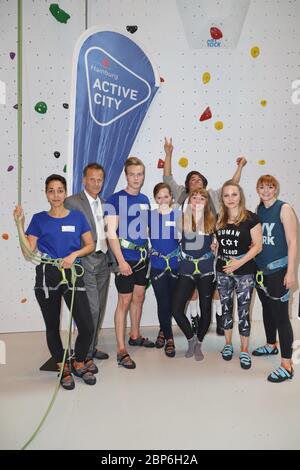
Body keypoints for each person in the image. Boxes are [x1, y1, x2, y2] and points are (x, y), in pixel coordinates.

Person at [13, 174, 97, 390]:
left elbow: (91, 245)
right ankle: (62, 367)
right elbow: (28, 253)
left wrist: (73, 255)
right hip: (47, 275)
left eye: (60, 190)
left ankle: (78, 362)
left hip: (72, 273)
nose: (56, 195)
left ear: (65, 192)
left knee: (87, 326)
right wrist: (19, 226)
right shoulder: (39, 219)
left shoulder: (77, 217)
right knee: (52, 326)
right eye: (51, 190)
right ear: (46, 194)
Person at [163, 137, 248, 336]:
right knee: (190, 290)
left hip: (212, 248)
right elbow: (167, 178)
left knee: (214, 286)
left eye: (199, 179)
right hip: (188, 253)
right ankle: (194, 319)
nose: (196, 181)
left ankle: (219, 319)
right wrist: (168, 153)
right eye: (192, 180)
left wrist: (240, 166)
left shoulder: (212, 196)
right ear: (187, 186)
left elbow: (231, 185)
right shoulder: (182, 195)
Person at [105, 157, 154, 370]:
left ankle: (135, 335)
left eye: (140, 174)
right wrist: (121, 261)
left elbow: (146, 229)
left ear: (143, 176)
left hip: (143, 258)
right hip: (125, 259)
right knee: (124, 301)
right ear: (126, 176)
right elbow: (110, 233)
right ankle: (121, 349)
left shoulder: (144, 199)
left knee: (139, 297)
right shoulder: (115, 199)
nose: (136, 178)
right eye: (132, 174)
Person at [65, 163, 110, 373]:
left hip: (104, 262)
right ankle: (83, 355)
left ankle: (90, 348)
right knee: (91, 309)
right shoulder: (73, 202)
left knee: (99, 308)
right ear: (84, 180)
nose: (96, 183)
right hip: (85, 262)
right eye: (91, 179)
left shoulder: (104, 203)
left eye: (99, 179)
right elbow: (67, 231)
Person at [253, 175, 297, 383]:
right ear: (257, 190)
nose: (266, 191)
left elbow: (293, 242)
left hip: (279, 271)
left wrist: (291, 272)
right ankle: (271, 344)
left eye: (270, 187)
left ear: (276, 189)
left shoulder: (284, 208)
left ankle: (287, 365)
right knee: (267, 310)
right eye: (262, 187)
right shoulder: (258, 210)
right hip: (261, 271)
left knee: (281, 316)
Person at [215, 180, 262, 370]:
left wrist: (239, 262)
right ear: (222, 198)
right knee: (225, 309)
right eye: (226, 195)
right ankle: (227, 345)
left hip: (244, 271)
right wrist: (215, 246)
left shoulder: (251, 218)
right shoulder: (219, 218)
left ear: (240, 196)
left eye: (234, 194)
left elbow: (258, 245)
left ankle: (244, 350)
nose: (230, 199)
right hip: (223, 270)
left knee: (243, 312)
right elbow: (218, 242)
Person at [172, 188, 216, 361]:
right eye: (194, 198)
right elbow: (175, 242)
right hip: (187, 268)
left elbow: (218, 246)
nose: (197, 201)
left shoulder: (213, 221)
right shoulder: (181, 220)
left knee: (206, 309)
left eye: (201, 198)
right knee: (176, 309)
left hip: (206, 270)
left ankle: (199, 342)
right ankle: (191, 339)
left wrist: (216, 247)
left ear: (206, 202)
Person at [149, 183, 180, 358]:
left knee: (173, 303)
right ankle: (169, 338)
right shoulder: (149, 217)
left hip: (176, 265)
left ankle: (162, 330)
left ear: (171, 198)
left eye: (166, 196)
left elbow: (193, 236)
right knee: (163, 303)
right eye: (159, 197)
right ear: (155, 199)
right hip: (157, 266)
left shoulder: (179, 216)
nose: (162, 200)